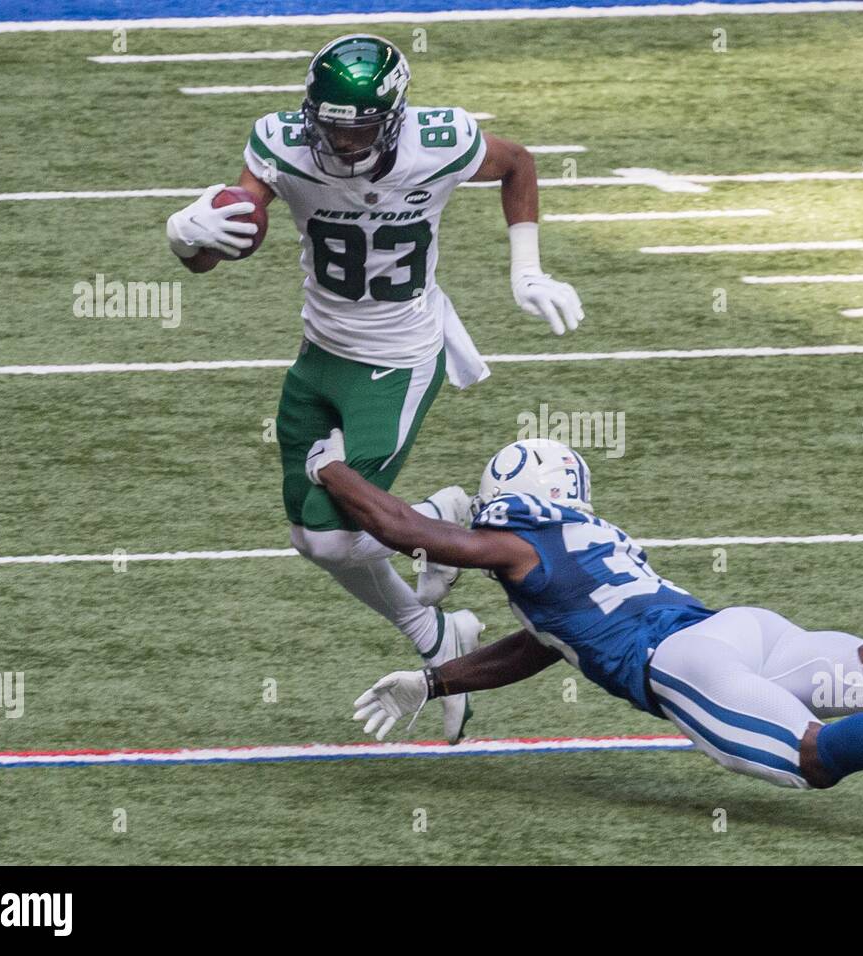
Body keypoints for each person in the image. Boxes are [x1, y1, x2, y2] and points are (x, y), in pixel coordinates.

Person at [162, 35, 584, 742]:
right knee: (308, 535)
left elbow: (517, 163)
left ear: (393, 116)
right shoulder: (282, 142)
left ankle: (444, 523)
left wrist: (527, 268)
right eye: (329, 122)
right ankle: (435, 627)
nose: (340, 138)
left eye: (358, 124)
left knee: (334, 540)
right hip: (320, 349)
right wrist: (185, 233)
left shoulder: (437, 141)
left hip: (398, 357)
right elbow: (220, 247)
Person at [304, 432, 863, 809]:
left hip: (685, 665)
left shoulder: (519, 543)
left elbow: (406, 530)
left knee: (811, 760)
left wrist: (328, 468)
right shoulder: (590, 539)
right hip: (742, 630)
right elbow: (550, 644)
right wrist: (436, 682)